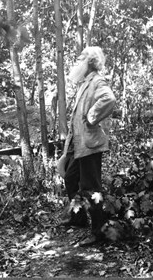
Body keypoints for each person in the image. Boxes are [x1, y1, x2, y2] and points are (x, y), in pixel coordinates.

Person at [56, 46, 116, 247]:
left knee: (91, 189)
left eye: (81, 59)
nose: (77, 62)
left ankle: (98, 232)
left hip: (90, 145)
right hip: (79, 144)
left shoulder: (97, 80)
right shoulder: (85, 83)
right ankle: (78, 217)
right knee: (71, 178)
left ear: (89, 62)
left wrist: (92, 117)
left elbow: (109, 99)